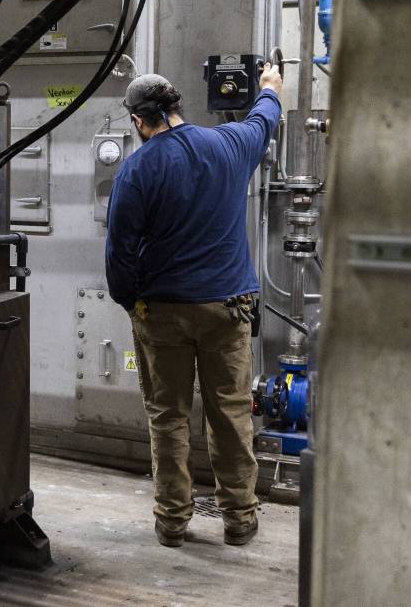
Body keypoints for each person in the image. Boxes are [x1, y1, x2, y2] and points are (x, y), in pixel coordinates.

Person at [104, 65, 283, 548]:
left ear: (140, 121)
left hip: (162, 312)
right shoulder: (228, 144)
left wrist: (130, 301)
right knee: (229, 413)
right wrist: (270, 86)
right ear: (176, 108)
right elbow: (265, 118)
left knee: (168, 415)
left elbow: (119, 252)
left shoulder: (137, 170)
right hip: (228, 308)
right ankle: (240, 519)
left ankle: (173, 521)